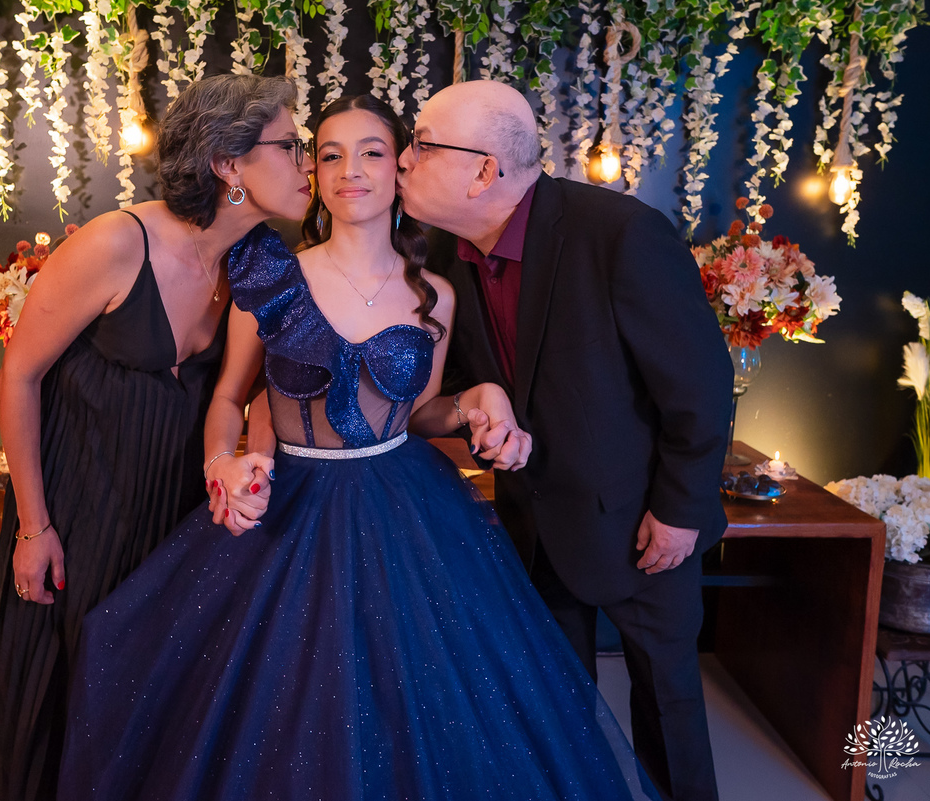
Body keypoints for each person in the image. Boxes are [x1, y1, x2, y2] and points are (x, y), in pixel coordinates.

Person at [59, 95, 658, 801]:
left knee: (430, 697)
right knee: (276, 696)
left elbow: (422, 410)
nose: (351, 171)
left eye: (373, 152)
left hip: (405, 502)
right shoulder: (270, 274)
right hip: (292, 503)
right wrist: (223, 461)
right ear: (313, 170)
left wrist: (475, 401)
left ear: (402, 167)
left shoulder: (436, 291)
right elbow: (230, 397)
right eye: (330, 153)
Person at [397, 80, 733, 801]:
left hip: (644, 525)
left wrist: (680, 511)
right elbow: (458, 386)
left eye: (421, 145)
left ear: (485, 169)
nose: (402, 159)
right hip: (533, 521)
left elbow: (700, 387)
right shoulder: (447, 260)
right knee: (553, 712)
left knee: (668, 706)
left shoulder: (618, 233)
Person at [0, 74, 312, 801]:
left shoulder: (257, 260)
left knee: (151, 705)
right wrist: (33, 527)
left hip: (175, 512)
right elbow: (20, 377)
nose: (308, 163)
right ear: (228, 164)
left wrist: (247, 463)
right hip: (81, 504)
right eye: (291, 146)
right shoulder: (116, 242)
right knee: (62, 696)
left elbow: (253, 390)